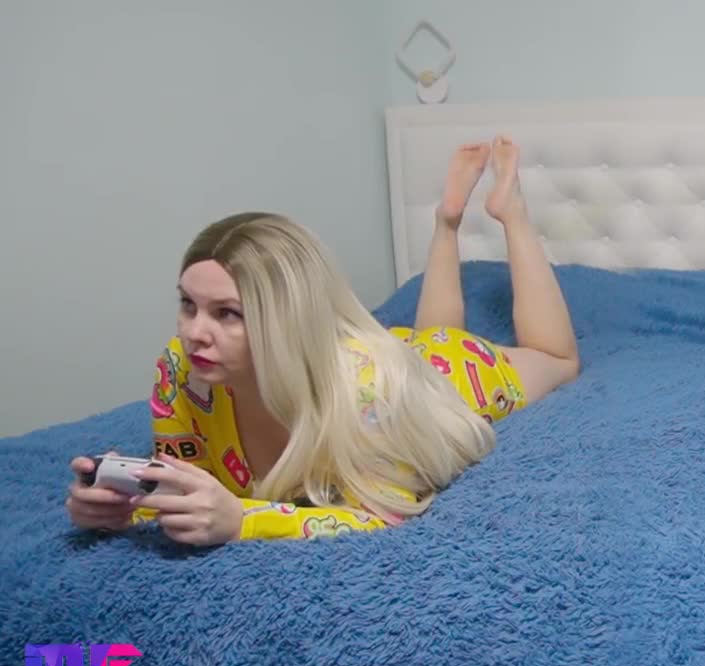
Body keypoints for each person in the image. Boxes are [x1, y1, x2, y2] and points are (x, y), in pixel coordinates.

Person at [64, 135, 580, 545]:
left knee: (556, 359)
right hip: (380, 359)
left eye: (228, 314)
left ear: (286, 317)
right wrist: (126, 508)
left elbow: (384, 515)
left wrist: (245, 522)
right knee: (429, 335)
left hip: (447, 373)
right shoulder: (180, 371)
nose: (194, 332)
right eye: (187, 304)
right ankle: (446, 223)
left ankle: (511, 210)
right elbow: (188, 485)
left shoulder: (372, 393)